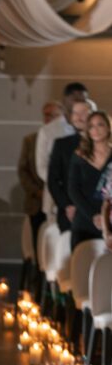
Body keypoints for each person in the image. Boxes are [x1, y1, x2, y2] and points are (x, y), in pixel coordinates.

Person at [35, 82, 90, 219]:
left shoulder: (92, 131)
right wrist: (64, 184)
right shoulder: (48, 131)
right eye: (75, 99)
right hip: (57, 199)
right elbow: (42, 166)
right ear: (65, 101)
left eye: (83, 100)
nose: (79, 103)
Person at [19, 101, 61, 251]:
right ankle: (36, 273)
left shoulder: (67, 138)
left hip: (59, 202)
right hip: (36, 201)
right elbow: (23, 171)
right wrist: (38, 191)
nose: (49, 118)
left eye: (53, 115)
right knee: (38, 245)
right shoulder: (31, 140)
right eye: (46, 115)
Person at [68, 110, 112, 251]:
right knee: (81, 267)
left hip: (110, 221)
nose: (96, 130)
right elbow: (73, 190)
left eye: (100, 125)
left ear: (108, 127)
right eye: (91, 126)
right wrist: (93, 216)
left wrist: (105, 218)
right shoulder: (79, 155)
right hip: (84, 220)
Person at [47, 99, 91, 233]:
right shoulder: (61, 144)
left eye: (84, 112)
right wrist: (67, 205)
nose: (79, 117)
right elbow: (53, 180)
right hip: (70, 214)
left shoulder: (106, 145)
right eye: (75, 113)